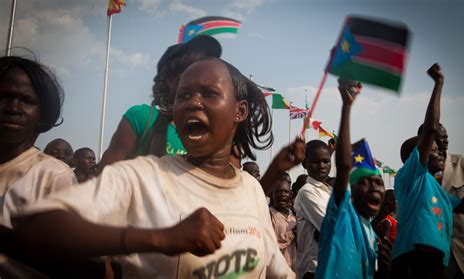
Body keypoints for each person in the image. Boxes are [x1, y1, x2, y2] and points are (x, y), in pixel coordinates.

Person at [11, 58, 296, 278]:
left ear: (240, 111)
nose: (193, 103)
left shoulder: (251, 190)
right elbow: (36, 227)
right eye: (183, 96)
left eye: (209, 93)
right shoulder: (142, 177)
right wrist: (160, 238)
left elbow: (275, 270)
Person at [391, 64, 464, 279]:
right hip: (413, 255)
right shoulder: (410, 177)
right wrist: (438, 84)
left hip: (437, 260)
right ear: (417, 158)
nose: (440, 154)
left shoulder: (434, 188)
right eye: (434, 151)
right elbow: (430, 130)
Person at [97, 35, 222, 173]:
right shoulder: (142, 118)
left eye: (201, 72)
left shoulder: (207, 131)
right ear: (169, 79)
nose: (197, 78)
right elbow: (104, 179)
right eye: (188, 72)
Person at [315, 79, 390, 279]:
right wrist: (347, 106)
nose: (375, 187)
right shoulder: (343, 214)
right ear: (351, 193)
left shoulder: (372, 235)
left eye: (379, 183)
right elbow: (344, 166)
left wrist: (384, 267)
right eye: (365, 182)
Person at [0, 56, 76, 228]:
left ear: (44, 115)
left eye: (27, 101)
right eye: (4, 97)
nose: (13, 108)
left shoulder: (52, 176)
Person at [418, 123, 464, 279]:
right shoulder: (418, 175)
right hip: (435, 259)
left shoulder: (463, 164)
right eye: (440, 137)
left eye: (446, 137)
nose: (445, 141)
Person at [293, 140, 332, 278]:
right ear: (305, 163)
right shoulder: (307, 192)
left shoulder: (329, 191)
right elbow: (332, 226)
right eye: (315, 162)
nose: (322, 166)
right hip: (313, 270)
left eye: (326, 161)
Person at [269, 172, 297, 271]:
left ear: (290, 194)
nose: (282, 194)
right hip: (276, 268)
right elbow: (269, 242)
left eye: (285, 191)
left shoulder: (293, 213)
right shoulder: (269, 214)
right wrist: (291, 234)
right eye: (278, 191)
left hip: (294, 266)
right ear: (272, 194)